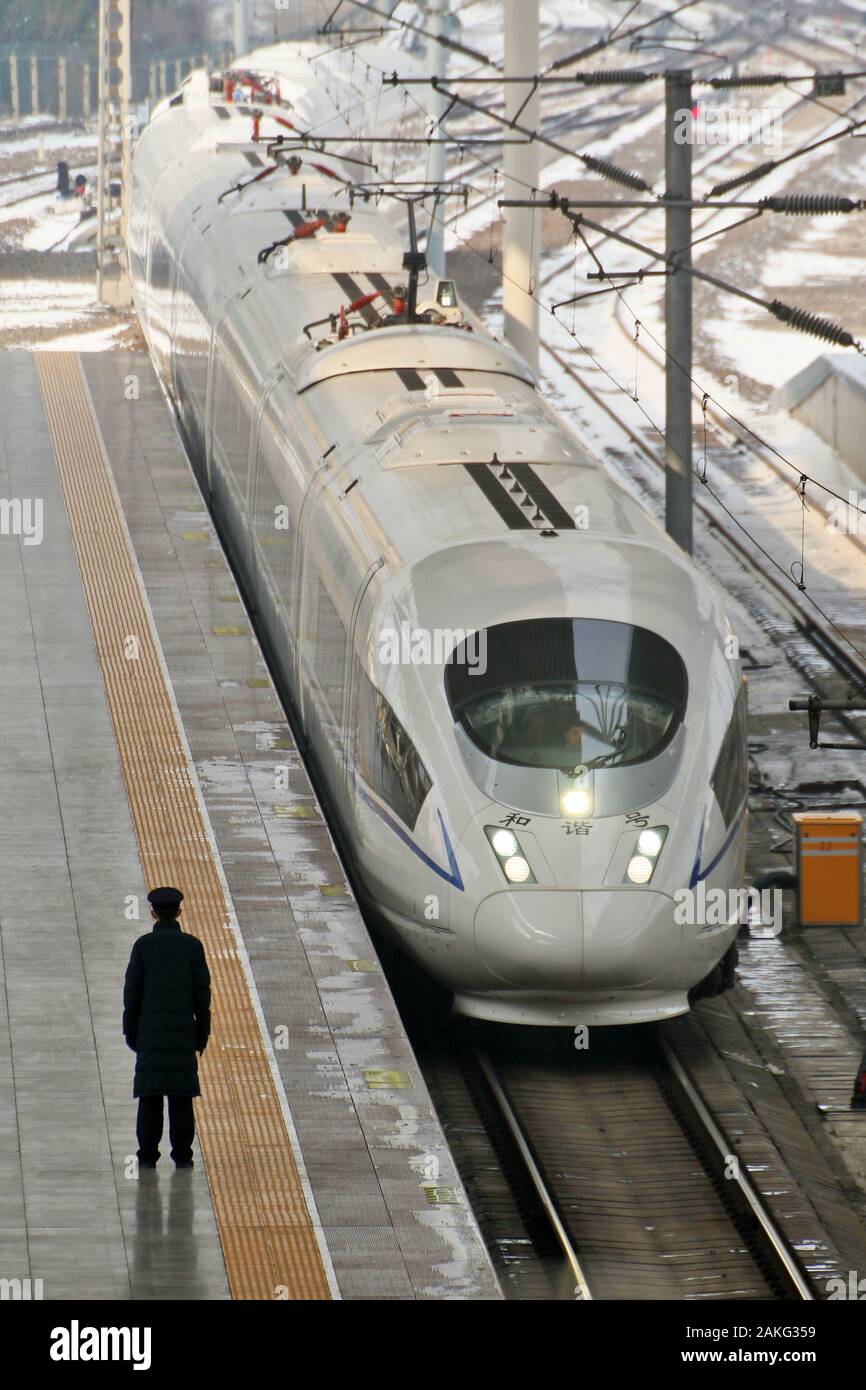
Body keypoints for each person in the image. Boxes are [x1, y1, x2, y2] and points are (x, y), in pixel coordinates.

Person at [122, 887, 211, 1170]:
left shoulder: (143, 946)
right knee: (181, 1097)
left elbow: (131, 993)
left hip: (149, 1034)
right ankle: (182, 1155)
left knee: (150, 1096)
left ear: (153, 913)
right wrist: (202, 1033)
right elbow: (202, 995)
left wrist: (131, 1031)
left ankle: (147, 1155)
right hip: (183, 1034)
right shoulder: (193, 947)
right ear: (179, 912)